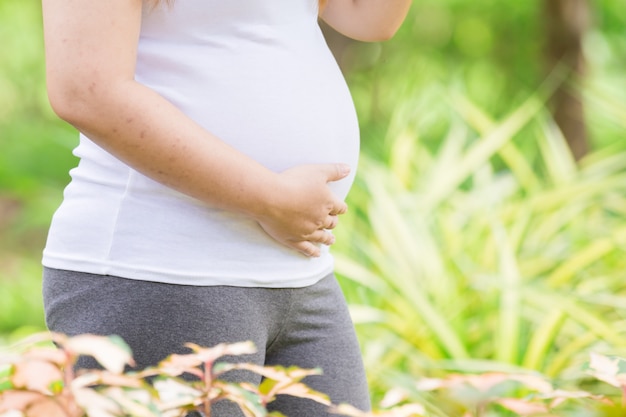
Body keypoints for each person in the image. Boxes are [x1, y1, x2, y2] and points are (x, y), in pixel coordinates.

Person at [40, 0, 411, 415]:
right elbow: (86, 91)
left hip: (300, 274)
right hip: (161, 272)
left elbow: (367, 17)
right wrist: (270, 198)